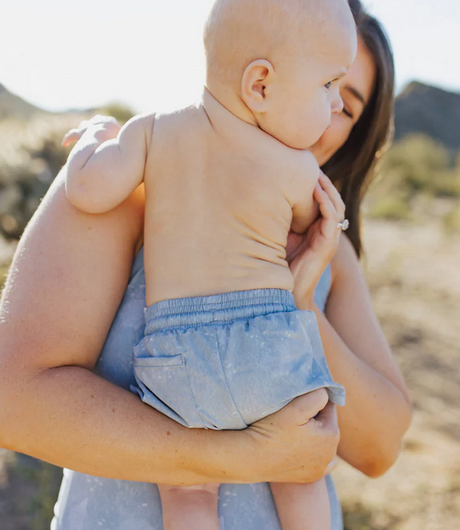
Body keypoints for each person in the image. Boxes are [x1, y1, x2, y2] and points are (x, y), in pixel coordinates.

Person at [0, 1, 411, 529]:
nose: (328, 107)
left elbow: (380, 447)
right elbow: (12, 400)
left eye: (346, 103)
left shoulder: (330, 246)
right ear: (260, 80)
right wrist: (247, 456)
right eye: (324, 84)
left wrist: (299, 301)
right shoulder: (140, 179)